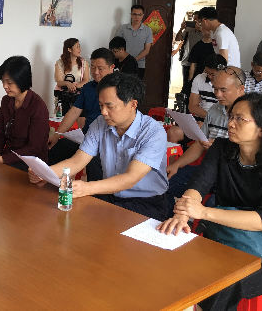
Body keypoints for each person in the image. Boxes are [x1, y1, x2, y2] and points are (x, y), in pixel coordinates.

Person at [158, 93, 262, 311]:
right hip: (222, 239)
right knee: (172, 263)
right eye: (231, 116)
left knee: (224, 283)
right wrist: (182, 214)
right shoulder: (222, 148)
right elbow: (199, 185)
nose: (230, 123)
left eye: (240, 119)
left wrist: (203, 213)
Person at [32, 72, 169, 221]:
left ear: (132, 105)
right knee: (70, 217)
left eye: (110, 106)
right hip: (110, 194)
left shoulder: (153, 132)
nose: (103, 112)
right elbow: (77, 161)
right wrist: (43, 172)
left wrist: (87, 188)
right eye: (101, 105)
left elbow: (131, 178)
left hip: (147, 202)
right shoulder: (99, 124)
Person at [166, 66, 246, 217]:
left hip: (236, 176)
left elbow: (252, 153)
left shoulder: (252, 115)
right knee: (164, 184)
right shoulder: (215, 110)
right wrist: (176, 164)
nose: (218, 94)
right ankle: (172, 225)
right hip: (210, 171)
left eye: (223, 90)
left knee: (213, 205)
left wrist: (221, 148)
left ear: (241, 89)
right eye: (215, 89)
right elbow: (200, 144)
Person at [48, 48, 115, 181]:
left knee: (95, 161)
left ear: (112, 67)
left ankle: (93, 191)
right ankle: (48, 182)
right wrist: (57, 134)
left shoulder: (118, 89)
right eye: (93, 67)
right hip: (85, 138)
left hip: (107, 141)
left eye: (100, 68)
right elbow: (74, 112)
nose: (95, 72)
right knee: (57, 148)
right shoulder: (88, 88)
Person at [0, 56, 49, 171]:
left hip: (31, 164)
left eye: (9, 82)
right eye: (3, 81)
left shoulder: (38, 106)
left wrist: (3, 159)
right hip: (8, 158)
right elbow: (0, 135)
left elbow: (34, 148)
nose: (4, 86)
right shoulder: (6, 101)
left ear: (22, 80)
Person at [116, 5, 153, 80]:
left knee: (136, 86)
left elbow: (146, 50)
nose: (137, 17)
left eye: (139, 15)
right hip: (123, 63)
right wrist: (126, 61)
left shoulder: (147, 30)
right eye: (134, 14)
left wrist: (132, 61)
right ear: (131, 15)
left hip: (139, 65)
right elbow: (117, 45)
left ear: (143, 15)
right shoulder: (123, 28)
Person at [54, 38, 89, 115]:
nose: (79, 49)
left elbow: (86, 80)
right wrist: (68, 84)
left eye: (79, 46)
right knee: (63, 118)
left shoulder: (84, 63)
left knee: (79, 118)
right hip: (64, 96)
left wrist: (74, 87)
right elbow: (59, 81)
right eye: (77, 47)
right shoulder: (60, 63)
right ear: (69, 49)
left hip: (79, 95)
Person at [188, 54, 227, 124]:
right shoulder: (199, 79)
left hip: (220, 122)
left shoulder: (229, 84)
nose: (209, 76)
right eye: (207, 73)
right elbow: (192, 107)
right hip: (201, 118)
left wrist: (212, 120)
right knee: (174, 130)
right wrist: (209, 118)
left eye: (213, 74)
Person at [174, 11, 203, 93]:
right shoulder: (188, 30)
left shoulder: (205, 32)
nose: (195, 21)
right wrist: (181, 29)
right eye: (194, 19)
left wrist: (201, 29)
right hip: (186, 61)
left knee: (197, 86)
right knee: (186, 85)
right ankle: (184, 99)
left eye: (197, 19)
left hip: (199, 63)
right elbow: (177, 39)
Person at [185, 13, 215, 88]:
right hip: (198, 79)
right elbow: (193, 65)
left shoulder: (217, 46)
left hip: (212, 80)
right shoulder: (197, 46)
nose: (209, 31)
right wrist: (190, 83)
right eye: (207, 29)